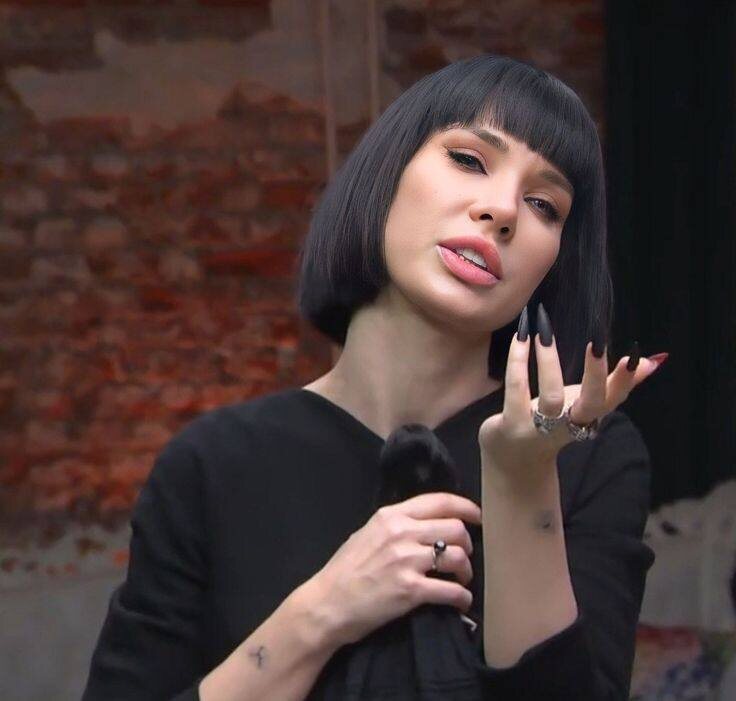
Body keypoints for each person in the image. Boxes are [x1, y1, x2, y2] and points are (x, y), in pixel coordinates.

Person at [81, 54, 667, 700]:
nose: (502, 210)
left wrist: (521, 480)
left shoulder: (588, 456)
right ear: (387, 172)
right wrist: (322, 613)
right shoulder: (211, 464)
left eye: (543, 204)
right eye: (469, 159)